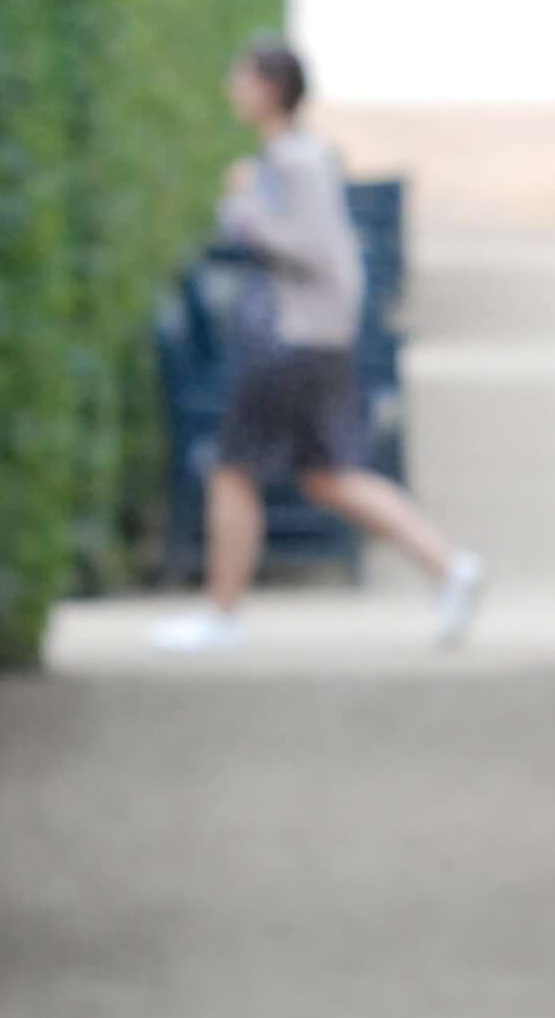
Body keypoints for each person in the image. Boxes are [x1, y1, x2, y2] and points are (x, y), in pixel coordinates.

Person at [151, 34, 488, 654]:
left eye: (242, 77)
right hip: (312, 340)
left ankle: (222, 615)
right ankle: (448, 568)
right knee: (328, 476)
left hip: (289, 341)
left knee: (233, 469)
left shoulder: (291, 164)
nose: (233, 88)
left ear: (270, 89)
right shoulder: (299, 158)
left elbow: (314, 250)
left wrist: (244, 207)